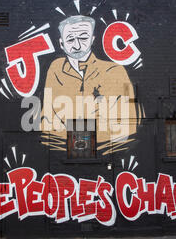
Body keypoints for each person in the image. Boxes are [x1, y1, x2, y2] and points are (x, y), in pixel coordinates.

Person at [40, 15, 140, 154]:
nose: (77, 45)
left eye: (83, 38)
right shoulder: (56, 69)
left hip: (109, 155)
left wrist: (74, 131)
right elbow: (46, 123)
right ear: (61, 43)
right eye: (70, 39)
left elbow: (127, 125)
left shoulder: (115, 71)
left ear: (92, 39)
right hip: (64, 156)